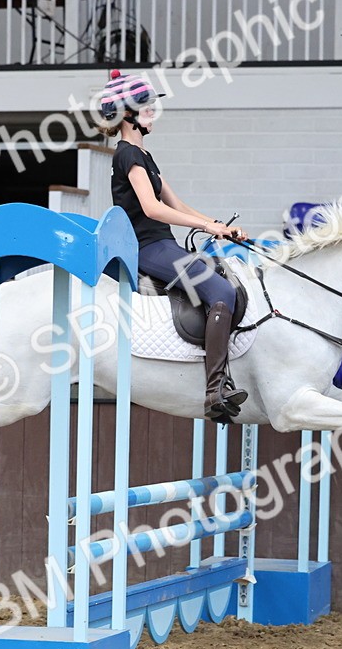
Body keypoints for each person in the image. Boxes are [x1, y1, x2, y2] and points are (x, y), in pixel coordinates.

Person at [97, 69, 250, 420]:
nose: (153, 111)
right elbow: (152, 208)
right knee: (222, 293)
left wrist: (220, 227)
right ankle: (214, 391)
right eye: (146, 105)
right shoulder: (127, 155)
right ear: (128, 113)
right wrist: (205, 224)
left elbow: (177, 205)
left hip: (163, 242)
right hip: (149, 247)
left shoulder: (145, 156)